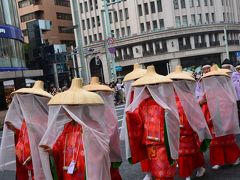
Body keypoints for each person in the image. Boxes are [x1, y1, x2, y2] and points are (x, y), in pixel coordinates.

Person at [39, 78, 112, 180]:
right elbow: (60, 145)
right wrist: (53, 150)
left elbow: (101, 150)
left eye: (69, 107)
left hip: (87, 170)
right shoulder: (68, 126)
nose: (65, 111)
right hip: (68, 170)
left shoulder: (92, 125)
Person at [126, 65, 180, 180]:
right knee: (156, 170)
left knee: (164, 171)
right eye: (147, 87)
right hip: (149, 142)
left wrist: (168, 115)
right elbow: (137, 119)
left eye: (153, 86)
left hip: (163, 142)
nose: (149, 89)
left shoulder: (164, 103)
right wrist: (130, 115)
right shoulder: (143, 103)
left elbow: (174, 119)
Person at [0, 81, 52, 180]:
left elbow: (44, 142)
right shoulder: (27, 119)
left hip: (40, 161)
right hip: (28, 162)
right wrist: (16, 130)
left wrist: (34, 155)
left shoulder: (45, 120)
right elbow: (27, 138)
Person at [167, 66, 212, 180]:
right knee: (183, 154)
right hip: (177, 130)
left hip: (189, 130)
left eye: (177, 81)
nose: (175, 84)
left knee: (193, 152)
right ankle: (187, 174)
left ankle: (199, 167)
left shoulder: (188, 96)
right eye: (174, 81)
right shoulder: (170, 97)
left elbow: (195, 112)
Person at [200, 65, 240, 170]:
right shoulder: (208, 91)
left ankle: (234, 158)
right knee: (215, 143)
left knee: (228, 140)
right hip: (214, 119)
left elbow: (231, 103)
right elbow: (202, 102)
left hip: (224, 118)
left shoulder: (225, 89)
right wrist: (203, 103)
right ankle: (219, 161)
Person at [83, 77, 122, 180]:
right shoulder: (85, 112)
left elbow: (112, 131)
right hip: (90, 151)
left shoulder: (106, 111)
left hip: (102, 150)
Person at [119, 64, 151, 179]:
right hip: (138, 123)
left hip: (150, 121)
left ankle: (157, 170)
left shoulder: (149, 90)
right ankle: (148, 172)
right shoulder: (132, 93)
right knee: (142, 148)